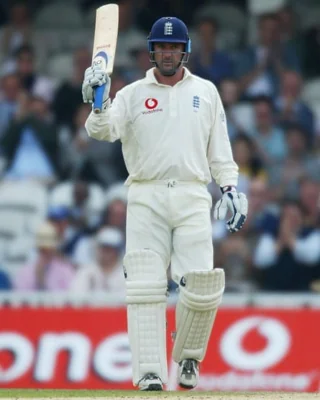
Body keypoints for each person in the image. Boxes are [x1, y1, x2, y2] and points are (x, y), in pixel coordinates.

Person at [82, 16, 248, 391]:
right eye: (162, 47)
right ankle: (149, 373)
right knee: (144, 283)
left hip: (192, 194)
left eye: (174, 47)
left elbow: (220, 150)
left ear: (185, 51)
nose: (168, 52)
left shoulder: (205, 92)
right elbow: (102, 130)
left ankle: (188, 357)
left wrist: (230, 188)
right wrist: (97, 101)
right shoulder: (131, 94)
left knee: (202, 283)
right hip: (146, 194)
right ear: (152, 50)